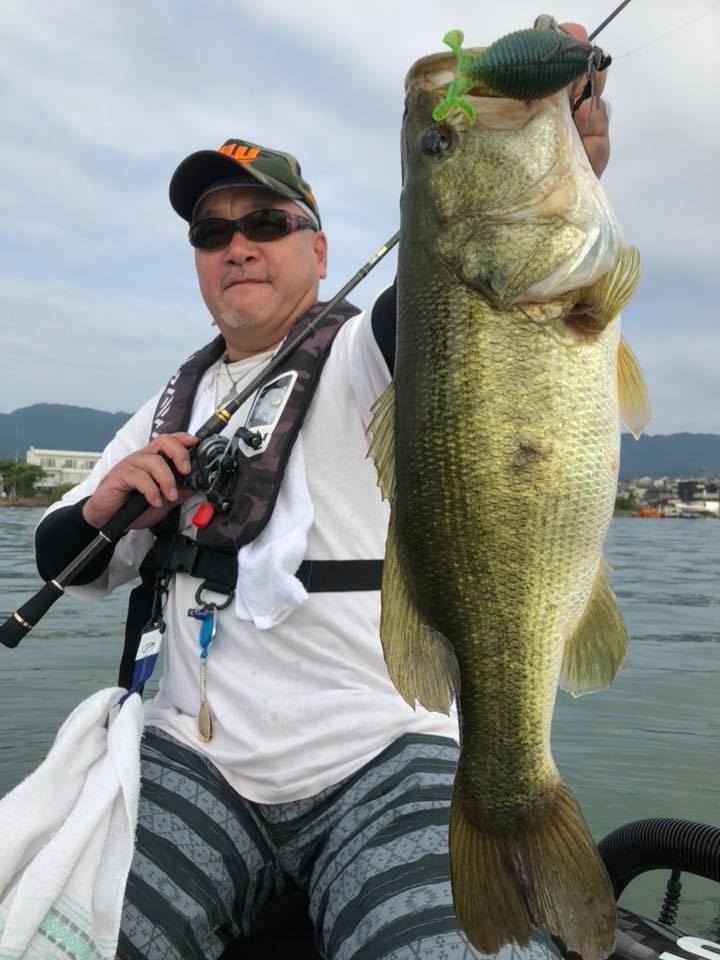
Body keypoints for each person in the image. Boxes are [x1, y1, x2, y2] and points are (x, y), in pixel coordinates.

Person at [34, 24, 612, 960]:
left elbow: (468, 303)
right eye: (212, 233)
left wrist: (532, 173)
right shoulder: (168, 402)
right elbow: (66, 563)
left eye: (266, 223)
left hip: (386, 753)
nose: (237, 246)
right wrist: (103, 509)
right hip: (192, 760)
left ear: (320, 246)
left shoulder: (368, 350)